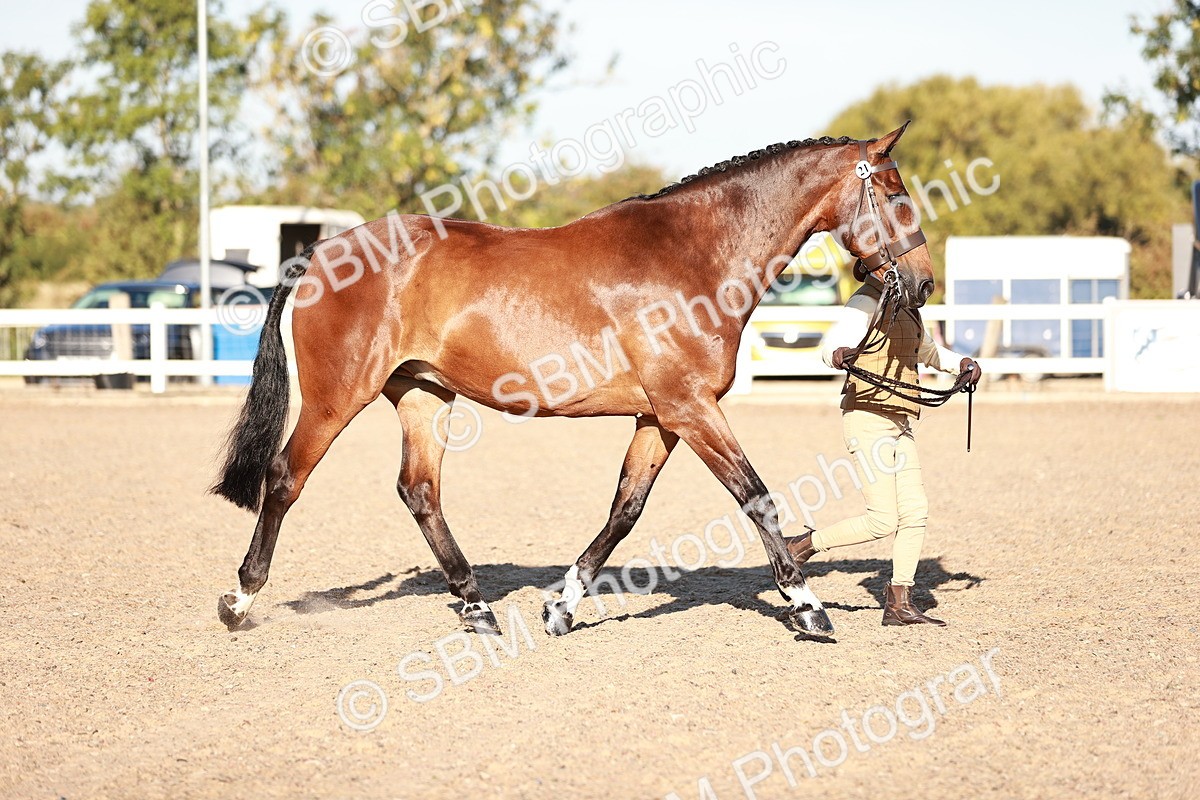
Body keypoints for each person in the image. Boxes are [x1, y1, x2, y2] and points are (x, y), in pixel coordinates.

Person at [785, 272, 981, 626]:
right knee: (882, 520)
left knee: (915, 512)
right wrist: (840, 354)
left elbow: (927, 352)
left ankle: (899, 602)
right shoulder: (865, 302)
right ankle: (802, 545)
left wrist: (961, 364)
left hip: (902, 420)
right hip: (867, 417)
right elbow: (828, 346)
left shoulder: (908, 309)